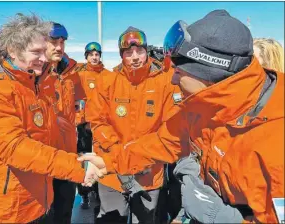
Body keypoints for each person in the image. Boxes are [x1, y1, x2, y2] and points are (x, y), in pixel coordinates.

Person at [80, 10, 284, 223]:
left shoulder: (276, 138)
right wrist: (109, 162)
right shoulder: (202, 108)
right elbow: (161, 143)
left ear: (207, 72)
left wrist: (222, 217)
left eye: (179, 71)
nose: (173, 80)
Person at [0, 13, 103, 224]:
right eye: (36, 52)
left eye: (44, 51)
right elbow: (14, 147)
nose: (44, 58)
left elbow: (47, 136)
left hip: (41, 199)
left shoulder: (35, 85)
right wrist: (78, 167)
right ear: (13, 51)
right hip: (9, 209)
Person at [86, 26, 181, 224]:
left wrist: (142, 157)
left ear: (147, 52)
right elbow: (97, 121)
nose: (135, 57)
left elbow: (171, 127)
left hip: (148, 174)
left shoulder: (164, 82)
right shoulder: (107, 81)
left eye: (139, 51)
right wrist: (117, 152)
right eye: (128, 53)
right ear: (122, 56)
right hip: (112, 173)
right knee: (111, 218)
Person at [44, 22, 86, 224]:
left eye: (62, 42)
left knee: (65, 210)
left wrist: (73, 125)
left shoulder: (71, 72)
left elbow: (80, 104)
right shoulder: (33, 74)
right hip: (42, 158)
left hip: (68, 155)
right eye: (53, 41)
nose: (59, 47)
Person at [76, 42, 113, 209]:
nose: (94, 57)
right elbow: (76, 101)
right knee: (83, 160)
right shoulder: (80, 75)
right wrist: (82, 121)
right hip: (84, 127)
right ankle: (84, 194)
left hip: (103, 127)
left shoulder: (108, 75)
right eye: (91, 55)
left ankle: (99, 192)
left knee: (100, 159)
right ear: (86, 57)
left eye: (97, 54)